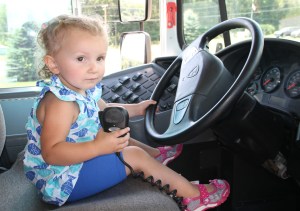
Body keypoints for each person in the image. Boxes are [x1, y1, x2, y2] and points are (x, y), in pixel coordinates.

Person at [23, 14, 230, 211]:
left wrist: (137, 108)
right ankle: (193, 197)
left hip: (76, 164)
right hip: (62, 182)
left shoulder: (81, 89)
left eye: (100, 58)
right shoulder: (61, 104)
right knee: (133, 155)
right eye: (81, 59)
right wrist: (97, 147)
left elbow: (107, 110)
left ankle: (155, 156)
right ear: (53, 63)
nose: (94, 68)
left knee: (117, 134)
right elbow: (51, 153)